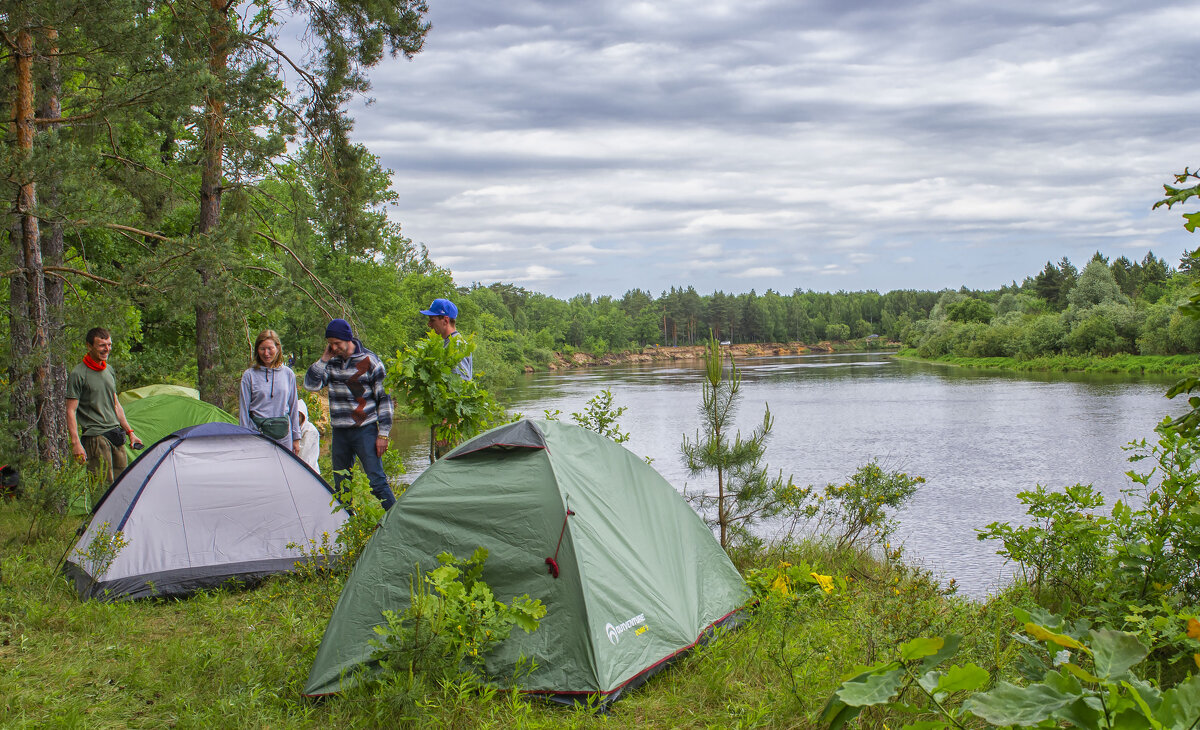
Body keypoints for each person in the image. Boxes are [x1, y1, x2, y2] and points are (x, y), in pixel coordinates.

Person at [303, 318, 395, 509]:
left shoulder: (371, 361)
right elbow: (311, 385)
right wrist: (324, 359)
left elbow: (384, 399)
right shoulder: (331, 363)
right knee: (342, 485)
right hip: (340, 432)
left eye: (337, 343)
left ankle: (397, 518)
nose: (334, 347)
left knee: (376, 481)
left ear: (348, 339)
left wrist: (383, 434)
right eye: (330, 344)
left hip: (365, 429)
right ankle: (350, 528)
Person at [65, 327, 143, 485]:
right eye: (102, 345)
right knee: (102, 489)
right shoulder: (78, 374)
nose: (107, 349)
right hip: (95, 437)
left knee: (122, 486)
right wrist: (76, 444)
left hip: (116, 435)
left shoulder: (109, 370)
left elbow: (116, 405)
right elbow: (70, 410)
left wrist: (130, 432)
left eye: (109, 344)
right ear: (89, 346)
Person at [238, 330, 301, 454]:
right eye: (262, 349)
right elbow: (243, 409)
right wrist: (244, 437)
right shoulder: (249, 375)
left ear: (277, 348)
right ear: (257, 350)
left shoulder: (288, 374)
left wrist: (296, 437)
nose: (266, 353)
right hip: (257, 435)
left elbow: (293, 407)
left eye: (270, 348)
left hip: (283, 436)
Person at [421, 298, 472, 381]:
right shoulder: (446, 343)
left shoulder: (457, 346)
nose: (429, 324)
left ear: (445, 320)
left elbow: (461, 385)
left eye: (432, 320)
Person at [296, 398, 321, 472]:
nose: (296, 418)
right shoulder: (295, 429)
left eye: (299, 416)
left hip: (309, 470)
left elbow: (303, 455)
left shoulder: (310, 431)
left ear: (303, 416)